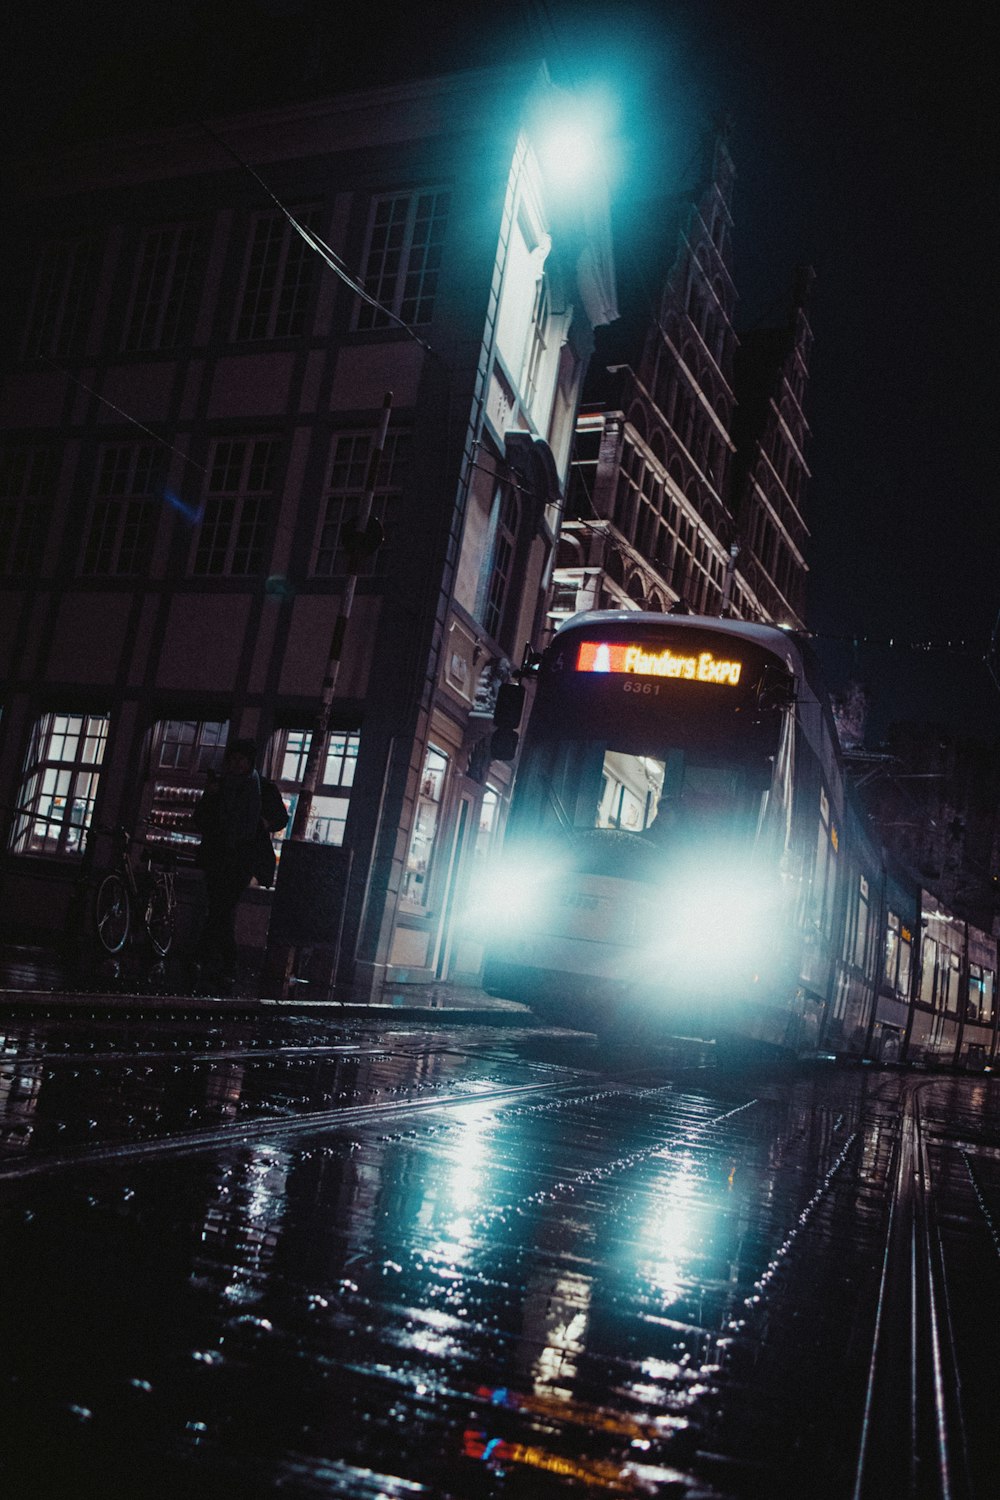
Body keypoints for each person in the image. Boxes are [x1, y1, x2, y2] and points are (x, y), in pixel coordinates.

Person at [192, 739, 287, 984]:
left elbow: (281, 818)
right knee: (219, 909)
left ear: (249, 763)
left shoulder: (263, 788)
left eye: (240, 760)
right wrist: (210, 797)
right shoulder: (219, 786)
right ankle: (215, 960)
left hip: (244, 859)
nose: (235, 764)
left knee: (221, 907)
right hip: (217, 856)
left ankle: (211, 958)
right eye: (232, 760)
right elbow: (200, 820)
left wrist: (266, 822)